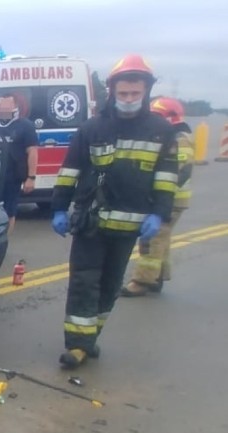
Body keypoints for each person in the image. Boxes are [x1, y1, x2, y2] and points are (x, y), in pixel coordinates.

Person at [50, 54, 179, 369]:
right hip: (91, 223)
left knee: (109, 286)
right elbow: (70, 172)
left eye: (135, 94)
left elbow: (166, 179)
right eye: (123, 94)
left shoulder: (161, 131)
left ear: (146, 92)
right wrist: (58, 208)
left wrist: (159, 214)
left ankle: (90, 337)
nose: (129, 100)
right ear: (112, 92)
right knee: (84, 282)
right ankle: (77, 345)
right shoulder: (92, 128)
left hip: (130, 227)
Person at [121, 97, 194, 297]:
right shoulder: (175, 134)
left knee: (151, 239)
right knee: (162, 238)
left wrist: (158, 193)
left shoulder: (180, 137)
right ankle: (158, 276)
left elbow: (181, 170)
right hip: (172, 198)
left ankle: (142, 281)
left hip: (170, 199)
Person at [0, 93, 39, 231]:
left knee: (8, 212)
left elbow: (32, 152)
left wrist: (31, 178)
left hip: (12, 178)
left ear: (15, 107)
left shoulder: (26, 126)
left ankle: (3, 240)